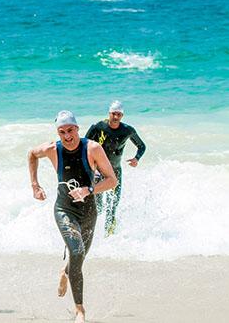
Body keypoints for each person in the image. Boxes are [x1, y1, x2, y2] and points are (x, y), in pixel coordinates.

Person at [28, 111, 116, 323]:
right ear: (58, 133)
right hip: (64, 209)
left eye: (70, 130)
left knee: (79, 257)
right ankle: (80, 310)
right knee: (76, 251)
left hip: (88, 212)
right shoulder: (52, 149)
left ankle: (65, 272)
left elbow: (112, 180)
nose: (67, 136)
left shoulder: (92, 148)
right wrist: (35, 185)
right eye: (62, 132)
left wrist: (89, 190)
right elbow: (31, 154)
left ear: (77, 129)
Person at [85, 101, 146, 236]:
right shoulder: (98, 127)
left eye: (119, 114)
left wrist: (136, 159)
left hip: (115, 172)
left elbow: (142, 146)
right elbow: (84, 146)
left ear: (122, 115)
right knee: (99, 206)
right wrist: (91, 167)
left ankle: (109, 236)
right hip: (98, 172)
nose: (116, 117)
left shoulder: (127, 130)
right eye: (113, 114)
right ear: (109, 113)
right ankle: (93, 234)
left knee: (112, 206)